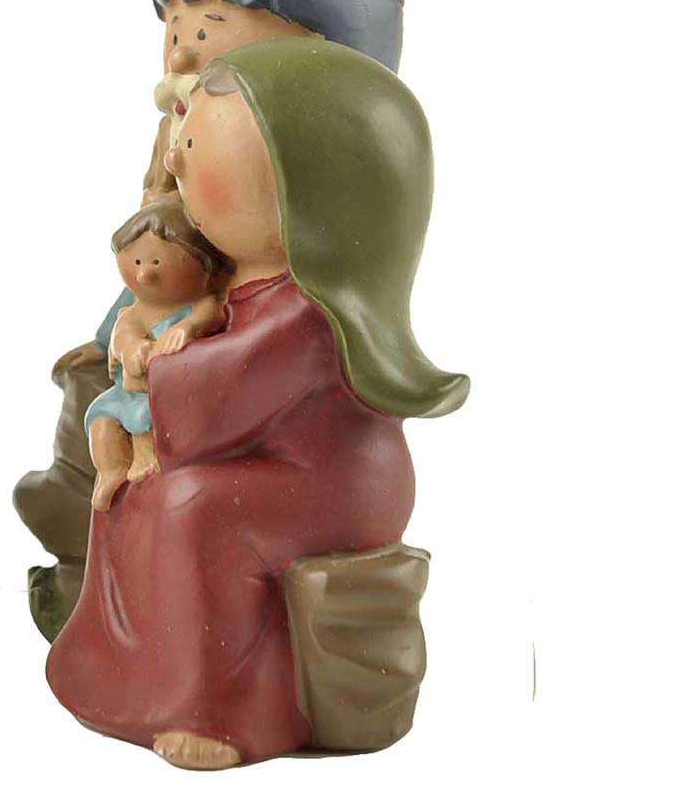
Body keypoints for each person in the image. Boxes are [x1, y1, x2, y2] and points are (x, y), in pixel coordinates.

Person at [45, 38, 469, 769]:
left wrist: (157, 370)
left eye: (196, 150)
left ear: (298, 191)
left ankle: (225, 712)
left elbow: (210, 409)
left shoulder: (305, 312)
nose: (174, 161)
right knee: (132, 491)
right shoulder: (239, 283)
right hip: (275, 468)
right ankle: (115, 674)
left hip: (329, 485)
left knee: (195, 506)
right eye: (181, 143)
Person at [14, 0, 408, 642]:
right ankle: (79, 546)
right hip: (170, 339)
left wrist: (173, 359)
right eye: (173, 31)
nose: (182, 53)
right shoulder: (182, 135)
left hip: (260, 420)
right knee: (89, 387)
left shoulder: (319, 216)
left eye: (208, 29)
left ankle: (117, 588)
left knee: (176, 481)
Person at [85, 200, 232, 511]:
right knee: (100, 418)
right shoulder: (134, 312)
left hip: (165, 395)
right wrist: (131, 348)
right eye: (137, 262)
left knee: (148, 419)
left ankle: (145, 457)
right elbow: (123, 335)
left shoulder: (199, 304)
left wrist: (188, 327)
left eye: (155, 262)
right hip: (127, 392)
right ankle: (111, 469)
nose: (144, 274)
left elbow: (211, 315)